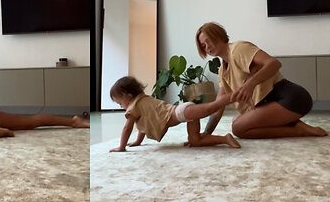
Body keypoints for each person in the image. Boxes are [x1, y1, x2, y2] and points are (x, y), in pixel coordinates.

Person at [195, 21, 327, 139]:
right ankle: (295, 126)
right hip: (269, 103)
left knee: (238, 127)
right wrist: (206, 133)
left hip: (291, 97)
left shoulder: (238, 49)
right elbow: (219, 105)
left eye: (209, 40)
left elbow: (274, 63)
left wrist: (250, 84)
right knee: (239, 125)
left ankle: (298, 130)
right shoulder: (222, 71)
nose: (207, 47)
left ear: (218, 35)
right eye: (203, 45)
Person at [108, 76, 241, 152]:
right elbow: (143, 126)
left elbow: (127, 128)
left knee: (211, 107)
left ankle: (231, 97)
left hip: (180, 112)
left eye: (120, 103)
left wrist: (121, 146)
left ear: (129, 96)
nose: (121, 106)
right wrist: (137, 141)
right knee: (195, 141)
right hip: (185, 115)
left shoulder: (133, 107)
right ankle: (226, 139)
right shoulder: (142, 100)